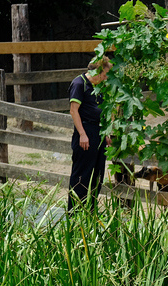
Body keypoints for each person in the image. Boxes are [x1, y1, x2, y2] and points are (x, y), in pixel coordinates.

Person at [68, 56, 112, 212]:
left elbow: (104, 110)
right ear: (98, 71)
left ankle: (91, 212)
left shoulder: (100, 87)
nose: (106, 78)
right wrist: (82, 134)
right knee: (82, 174)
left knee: (98, 173)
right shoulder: (79, 84)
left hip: (99, 132)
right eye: (105, 74)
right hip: (85, 132)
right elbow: (74, 111)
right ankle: (74, 212)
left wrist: (106, 132)